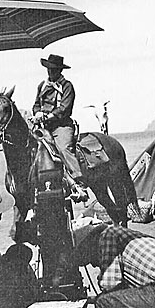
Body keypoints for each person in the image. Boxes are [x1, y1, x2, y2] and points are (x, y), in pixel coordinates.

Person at [31, 54, 88, 202]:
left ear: (60, 70)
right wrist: (37, 113)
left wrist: (47, 116)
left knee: (63, 149)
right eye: (49, 69)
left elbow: (64, 109)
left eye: (54, 70)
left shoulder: (67, 86)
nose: (51, 72)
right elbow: (36, 104)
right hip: (43, 127)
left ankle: (78, 183)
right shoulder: (42, 86)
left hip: (61, 126)